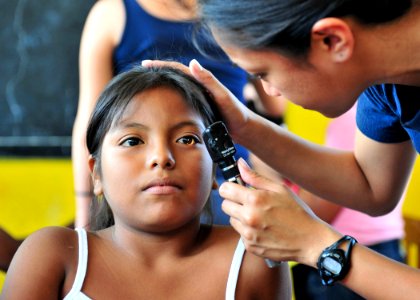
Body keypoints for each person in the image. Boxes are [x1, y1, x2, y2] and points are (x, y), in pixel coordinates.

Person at [142, 0, 420, 298]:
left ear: (331, 40)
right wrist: (244, 125)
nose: (270, 92)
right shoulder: (384, 85)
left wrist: (317, 245)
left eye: (263, 73)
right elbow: (371, 185)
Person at [1, 66, 291, 299]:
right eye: (132, 141)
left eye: (187, 139)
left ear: (214, 166)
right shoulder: (53, 256)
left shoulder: (255, 259)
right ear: (96, 174)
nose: (161, 157)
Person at [72, 0, 282, 228]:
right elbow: (275, 105)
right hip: (229, 177)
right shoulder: (241, 14)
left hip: (175, 181)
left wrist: (85, 218)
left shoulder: (111, 13)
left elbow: (89, 122)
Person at [292, 104, 406, 300]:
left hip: (350, 254)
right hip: (388, 247)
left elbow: (323, 204)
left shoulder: (359, 118)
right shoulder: (387, 108)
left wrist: (291, 202)